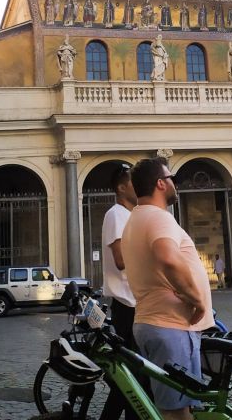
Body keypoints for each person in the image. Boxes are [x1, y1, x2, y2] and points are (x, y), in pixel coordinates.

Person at [122, 157, 214, 420]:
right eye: (171, 177)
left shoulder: (136, 218)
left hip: (155, 322)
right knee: (175, 412)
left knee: (175, 407)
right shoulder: (158, 218)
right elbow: (167, 257)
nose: (175, 182)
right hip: (170, 325)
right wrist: (196, 299)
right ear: (161, 183)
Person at [101, 163, 139, 420]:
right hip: (126, 305)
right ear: (121, 187)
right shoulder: (116, 214)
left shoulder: (132, 215)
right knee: (131, 376)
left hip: (134, 303)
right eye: (133, 182)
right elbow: (121, 259)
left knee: (131, 377)